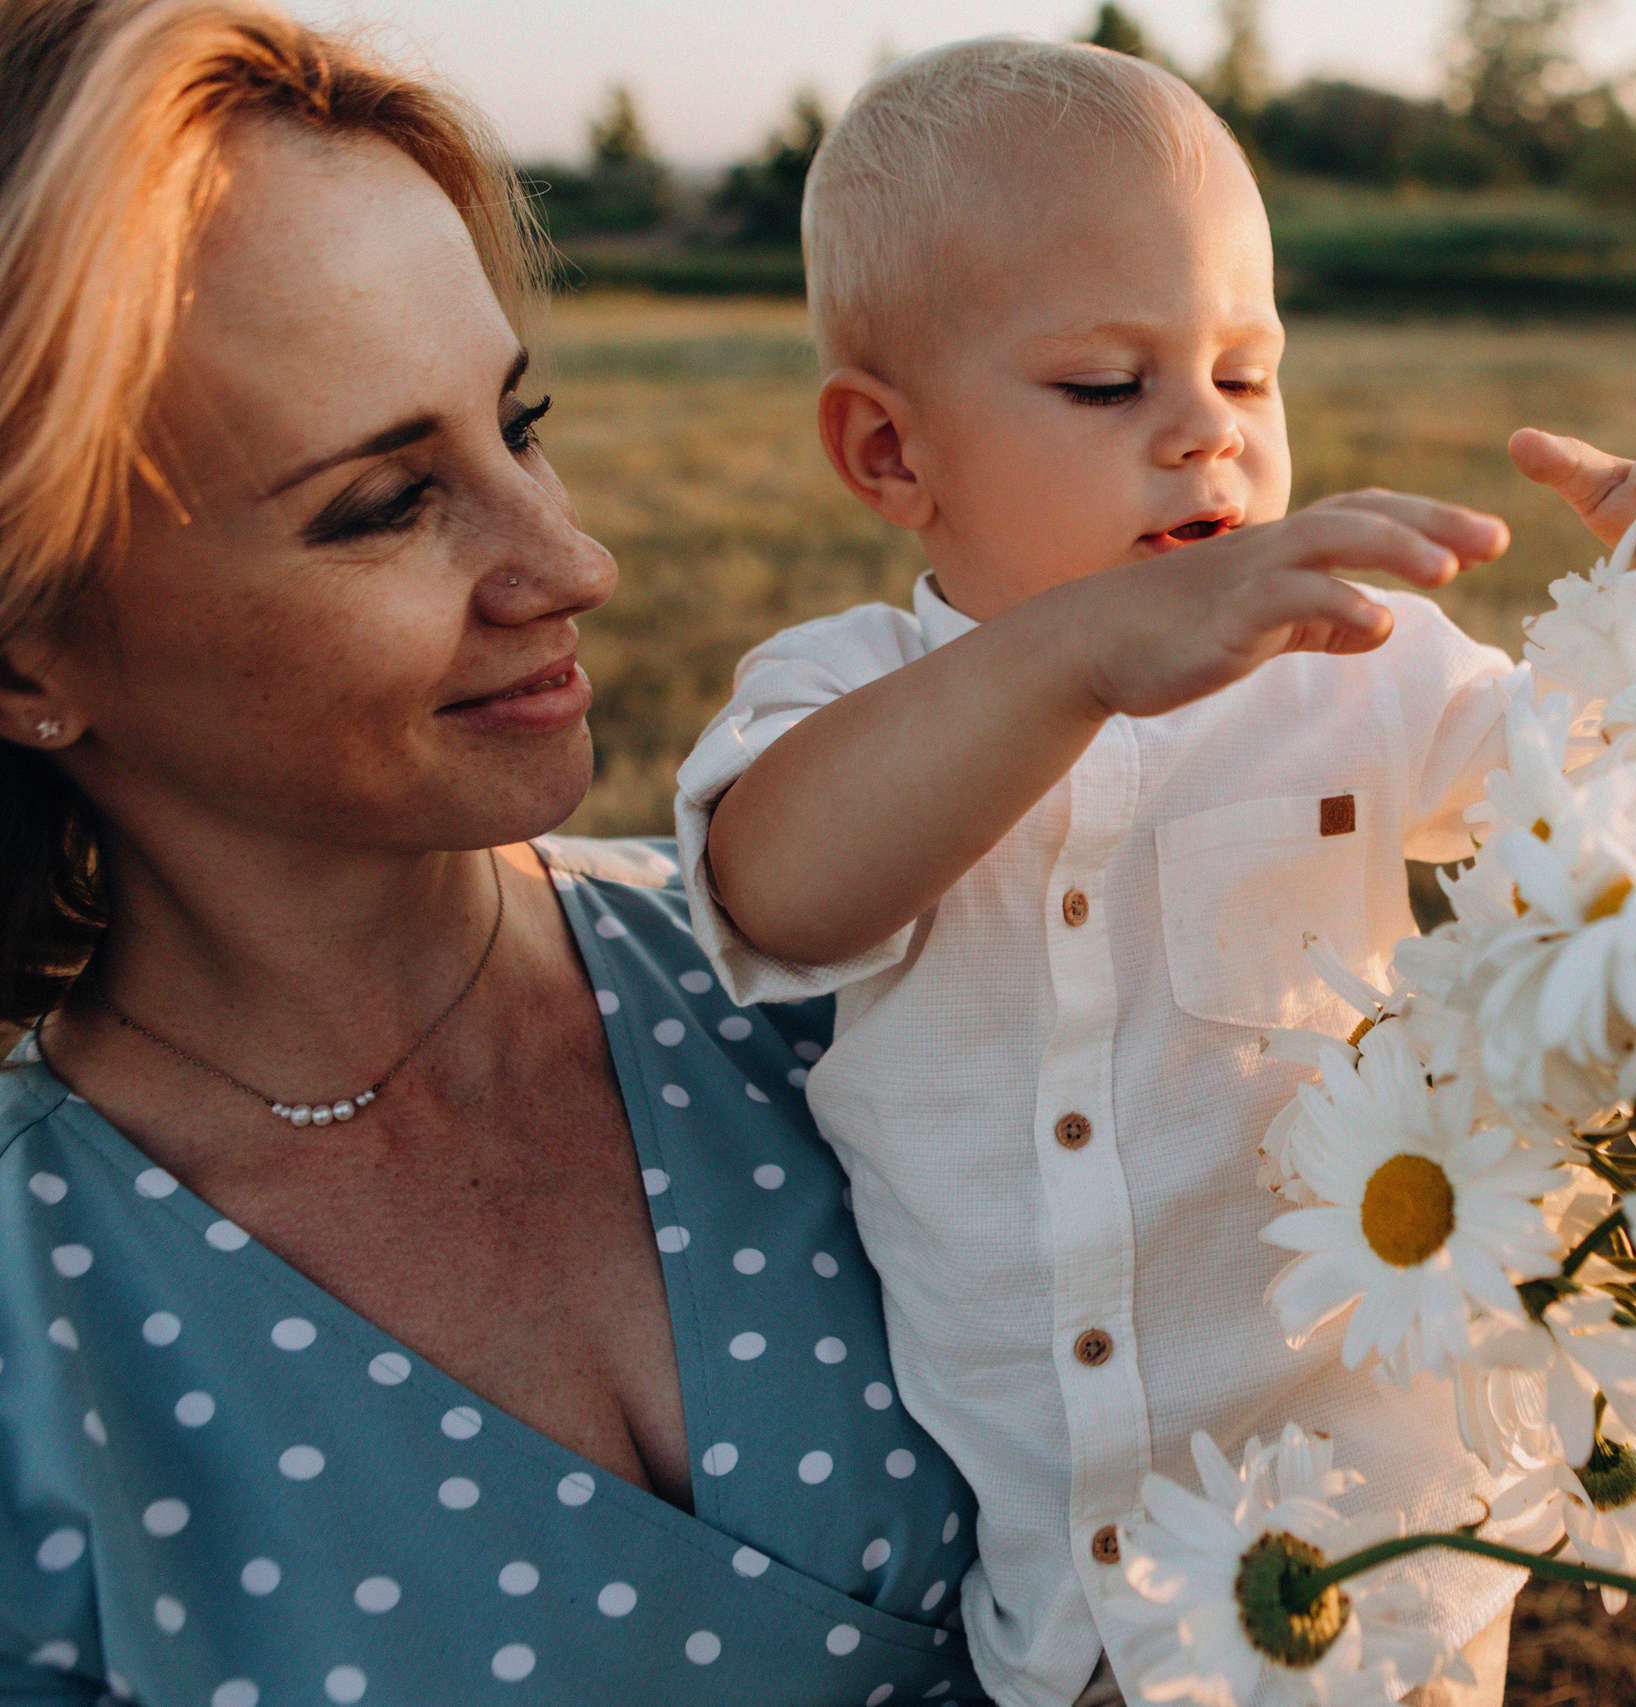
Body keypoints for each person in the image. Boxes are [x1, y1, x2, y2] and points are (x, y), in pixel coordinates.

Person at [677, 40, 1636, 1707]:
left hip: (1369, 1555)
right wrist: (1076, 660)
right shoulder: (846, 702)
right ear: (892, 457)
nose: (1206, 435)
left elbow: (1602, 821)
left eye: (1247, 375)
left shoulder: (1352, 662)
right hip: (1065, 1603)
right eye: (1109, 387)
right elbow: (781, 890)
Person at [0, 2, 981, 1700]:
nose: (572, 559)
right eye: (382, 504)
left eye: (518, 424)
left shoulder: (834, 973)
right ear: (30, 654)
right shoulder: (39, 1338)